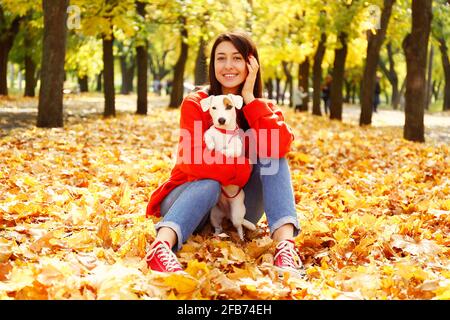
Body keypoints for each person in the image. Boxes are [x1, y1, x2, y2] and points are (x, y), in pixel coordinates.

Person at [145, 31, 304, 277]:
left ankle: (285, 247)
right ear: (213, 64)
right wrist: (240, 170)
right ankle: (161, 246)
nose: (228, 66)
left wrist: (250, 100)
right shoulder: (197, 102)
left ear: (251, 64)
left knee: (273, 156)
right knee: (209, 183)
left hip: (236, 206)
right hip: (188, 198)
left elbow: (281, 146)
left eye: (237, 58)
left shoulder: (263, 107)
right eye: (221, 58)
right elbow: (192, 160)